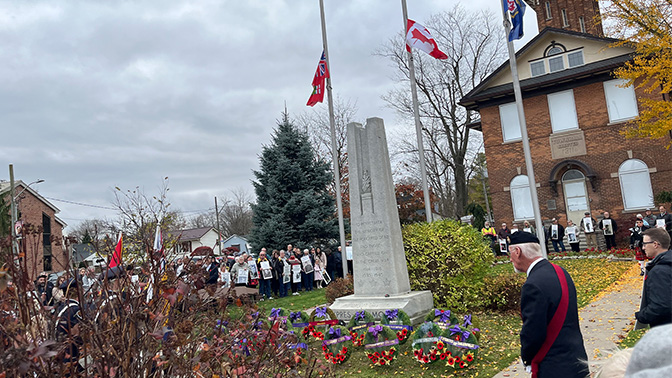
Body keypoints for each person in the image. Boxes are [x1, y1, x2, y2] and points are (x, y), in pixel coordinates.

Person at [507, 231, 589, 377]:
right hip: (576, 358)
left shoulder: (532, 284)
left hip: (554, 366)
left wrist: (527, 359)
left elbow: (533, 331)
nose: (510, 258)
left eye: (510, 253)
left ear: (517, 252)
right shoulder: (560, 271)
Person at [635, 228, 672, 327]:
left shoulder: (659, 271)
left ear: (655, 244)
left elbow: (661, 306)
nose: (643, 248)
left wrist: (641, 316)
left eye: (645, 244)